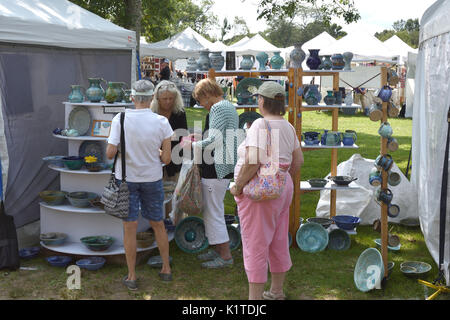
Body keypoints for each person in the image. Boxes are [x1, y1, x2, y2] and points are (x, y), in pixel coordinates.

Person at [230, 81, 303, 300]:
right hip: (282, 186)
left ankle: (255, 299)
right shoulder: (288, 126)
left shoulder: (260, 125)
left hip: (261, 192)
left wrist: (238, 186)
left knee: (255, 244)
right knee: (279, 239)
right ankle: (277, 291)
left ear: (262, 101)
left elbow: (253, 161)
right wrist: (281, 177)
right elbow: (298, 161)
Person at [106, 80, 174, 290]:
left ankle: (132, 275)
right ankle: (166, 269)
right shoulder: (162, 121)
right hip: (152, 179)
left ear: (133, 97)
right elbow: (167, 160)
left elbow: (109, 154)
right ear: (152, 97)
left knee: (129, 227)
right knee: (158, 224)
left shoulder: (121, 118)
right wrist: (157, 152)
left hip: (126, 179)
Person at [184, 78, 240, 268]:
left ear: (207, 94)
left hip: (216, 165)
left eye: (200, 101)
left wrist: (192, 144)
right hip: (222, 164)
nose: (201, 105)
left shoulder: (217, 108)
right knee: (214, 210)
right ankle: (217, 250)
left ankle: (225, 257)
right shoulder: (228, 106)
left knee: (213, 212)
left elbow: (215, 140)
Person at [150, 80, 188, 223]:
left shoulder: (179, 113)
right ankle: (161, 221)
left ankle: (176, 222)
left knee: (175, 191)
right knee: (159, 191)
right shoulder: (152, 112)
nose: (167, 102)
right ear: (157, 98)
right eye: (164, 99)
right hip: (155, 158)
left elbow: (182, 136)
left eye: (171, 99)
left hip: (175, 157)